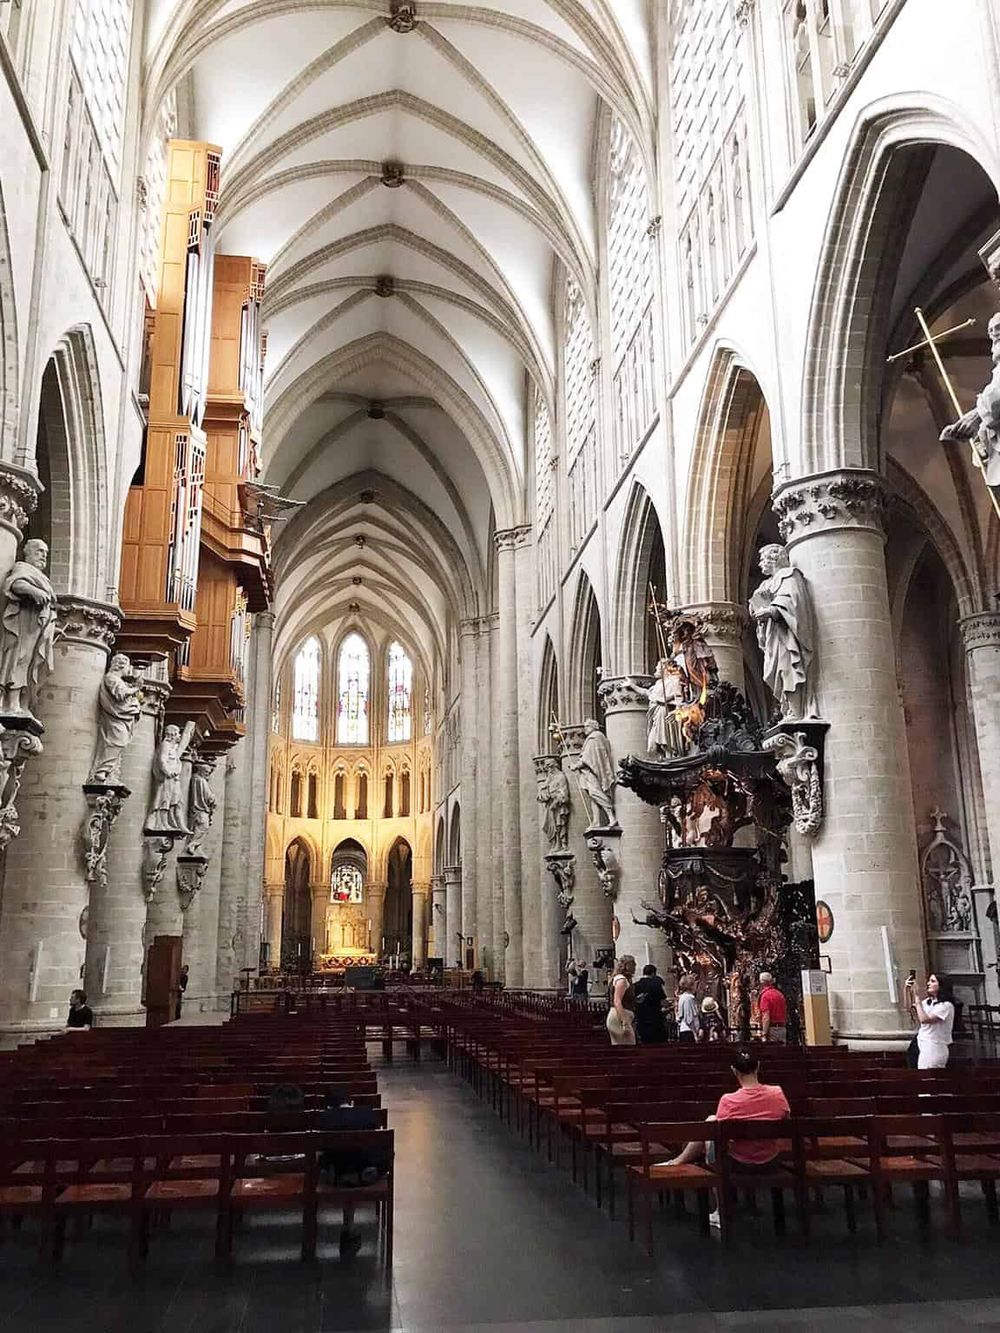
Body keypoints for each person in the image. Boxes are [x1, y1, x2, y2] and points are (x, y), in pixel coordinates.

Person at [659, 1048, 791, 1228]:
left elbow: (719, 1135)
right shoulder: (777, 1094)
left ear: (733, 1071)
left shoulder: (729, 1101)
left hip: (738, 1162)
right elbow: (786, 1121)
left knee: (711, 1125)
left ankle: (720, 1210)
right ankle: (678, 1161)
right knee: (711, 1124)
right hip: (771, 1161)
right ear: (758, 1067)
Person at [318, 1088, 388, 1258]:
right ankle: (349, 1226)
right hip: (365, 1172)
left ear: (328, 1106)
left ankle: (348, 1225)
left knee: (331, 1159)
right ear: (350, 1102)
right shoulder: (367, 1113)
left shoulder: (325, 1119)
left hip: (337, 1176)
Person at [912, 973, 956, 1069]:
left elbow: (924, 1019)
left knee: (928, 1075)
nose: (928, 983)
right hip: (923, 1044)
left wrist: (917, 997)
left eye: (932, 981)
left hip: (935, 1046)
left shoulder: (946, 1005)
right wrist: (907, 990)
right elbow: (910, 1009)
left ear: (941, 985)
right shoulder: (928, 1002)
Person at [632, 964, 668, 1044]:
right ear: (653, 973)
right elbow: (663, 1001)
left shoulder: (636, 985)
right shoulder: (656, 984)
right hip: (655, 1018)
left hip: (641, 1019)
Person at [606, 954, 637, 1046]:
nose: (635, 966)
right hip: (619, 1017)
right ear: (627, 966)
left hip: (620, 1015)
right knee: (627, 1047)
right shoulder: (621, 980)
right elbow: (617, 1001)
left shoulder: (621, 979)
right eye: (633, 964)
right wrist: (625, 1021)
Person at [758, 972, 787, 1044]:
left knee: (771, 1052)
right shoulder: (780, 994)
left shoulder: (765, 996)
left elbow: (766, 1016)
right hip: (782, 1028)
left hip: (772, 1029)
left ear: (762, 983)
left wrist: (764, 1033)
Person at [676, 973, 700, 1043]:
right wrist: (695, 1034)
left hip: (688, 1031)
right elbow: (689, 1018)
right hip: (688, 1031)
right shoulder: (688, 998)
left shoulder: (685, 997)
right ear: (691, 986)